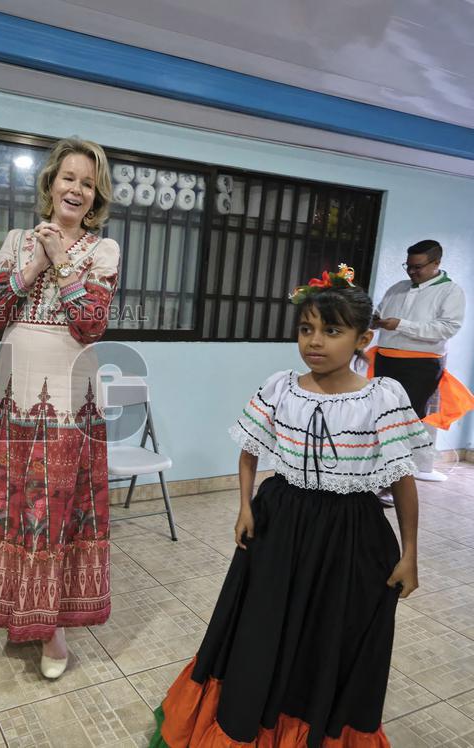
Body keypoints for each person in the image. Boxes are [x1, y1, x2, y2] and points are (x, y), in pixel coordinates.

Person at [149, 265, 430, 747]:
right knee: (262, 627)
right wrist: (244, 506)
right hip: (281, 521)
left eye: (332, 331)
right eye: (306, 329)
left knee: (329, 634)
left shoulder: (383, 398)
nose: (315, 342)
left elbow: (403, 481)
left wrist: (410, 553)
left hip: (350, 532)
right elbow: (248, 451)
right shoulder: (282, 386)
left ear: (363, 338)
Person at [0, 137, 120, 679]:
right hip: (12, 391)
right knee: (12, 496)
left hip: (68, 395)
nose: (76, 188)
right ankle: (15, 604)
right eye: (68, 177)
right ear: (50, 182)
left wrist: (60, 261)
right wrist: (29, 267)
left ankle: (53, 628)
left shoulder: (104, 250)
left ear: (96, 196)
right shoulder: (15, 240)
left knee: (53, 506)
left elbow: (91, 322)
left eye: (88, 182)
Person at [371, 239, 470, 481]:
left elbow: (446, 328)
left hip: (420, 366)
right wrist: (374, 321)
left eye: (419, 267)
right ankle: (378, 472)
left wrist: (401, 325)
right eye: (409, 266)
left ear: (436, 263)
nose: (412, 271)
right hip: (385, 360)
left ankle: (398, 478)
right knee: (380, 417)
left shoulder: (450, 291)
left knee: (407, 421)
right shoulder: (398, 287)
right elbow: (382, 314)